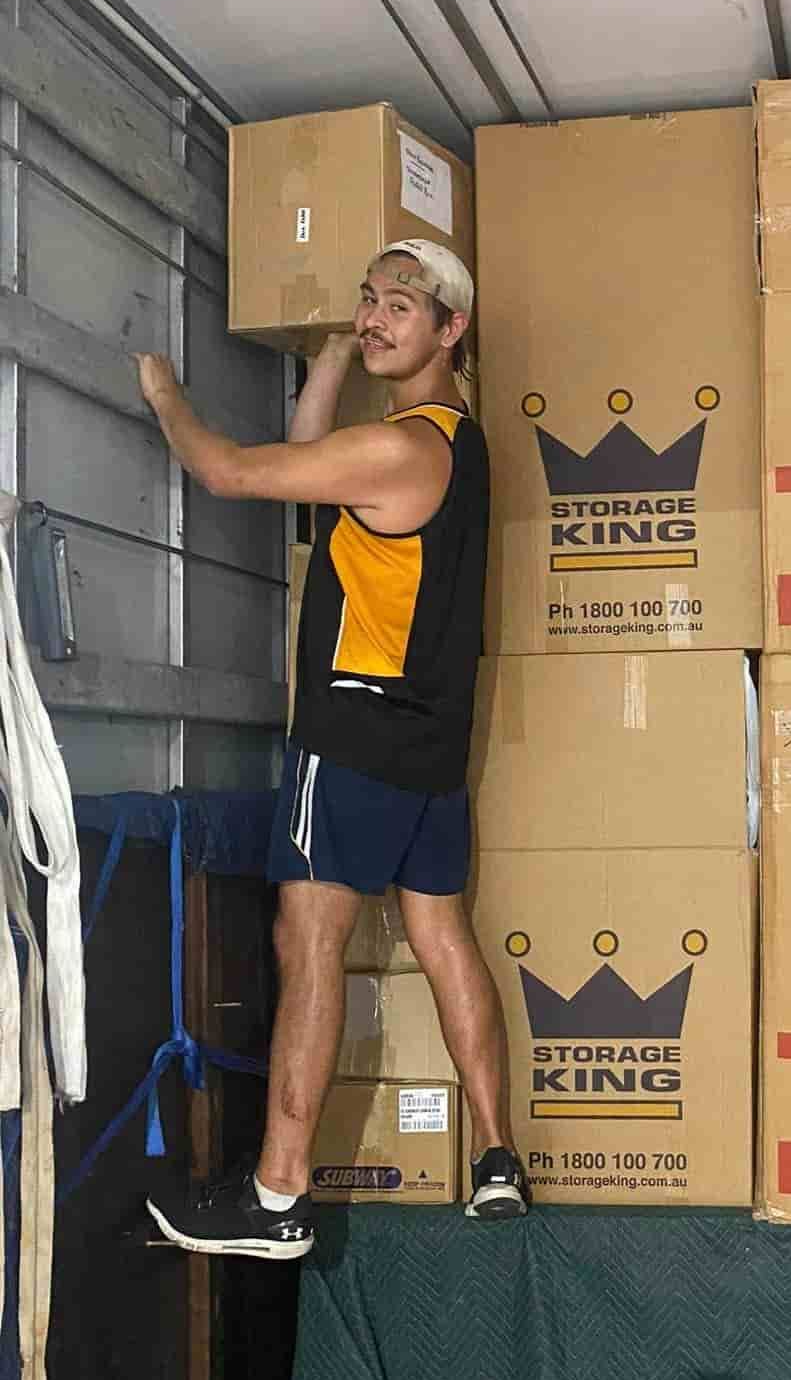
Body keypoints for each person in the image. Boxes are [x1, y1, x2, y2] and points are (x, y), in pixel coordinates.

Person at [138, 238, 530, 1259]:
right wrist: (331, 355)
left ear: (452, 329)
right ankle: (495, 1156)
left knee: (307, 943)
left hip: (350, 736)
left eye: (402, 306)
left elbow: (225, 471)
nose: (375, 318)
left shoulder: (398, 451)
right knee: (443, 937)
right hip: (431, 746)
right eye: (368, 301)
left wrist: (163, 388)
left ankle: (275, 1197)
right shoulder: (454, 440)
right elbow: (314, 494)